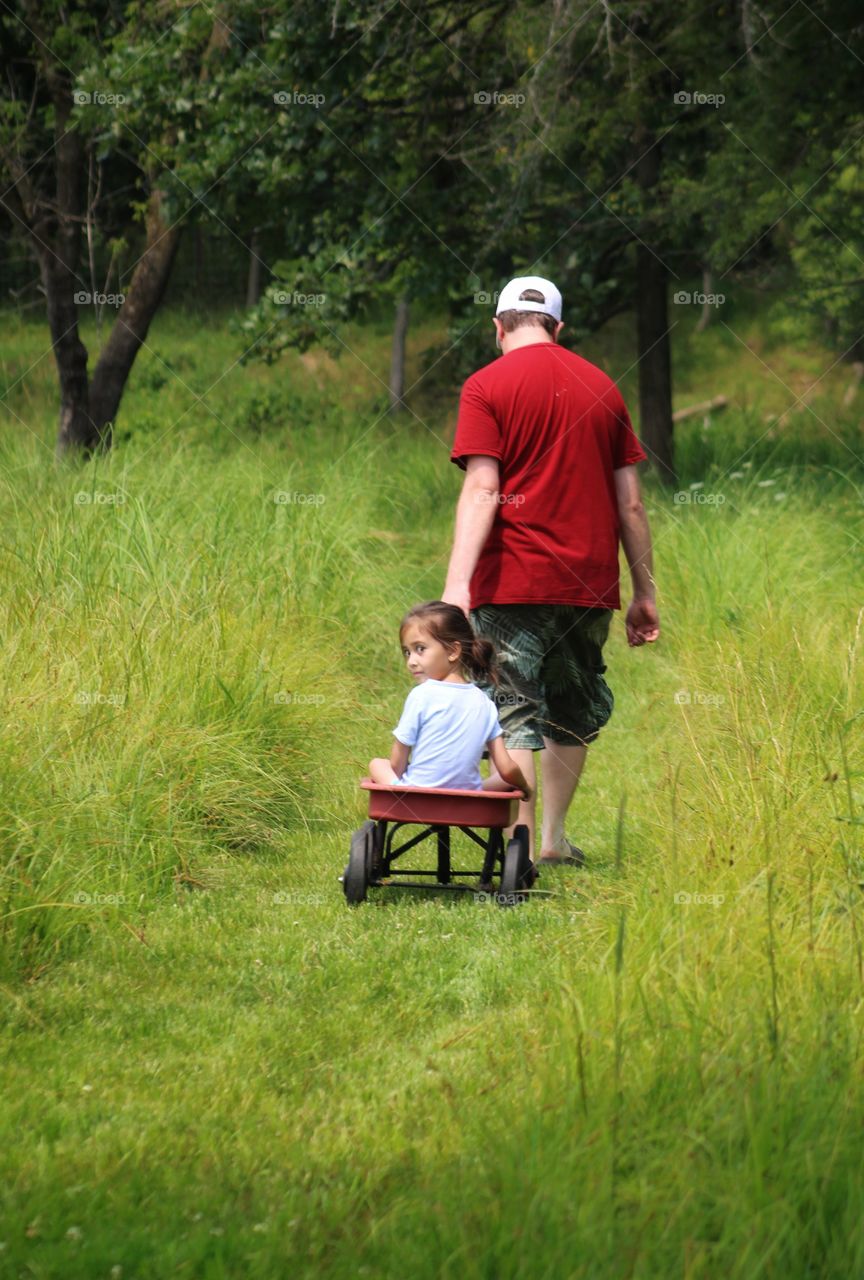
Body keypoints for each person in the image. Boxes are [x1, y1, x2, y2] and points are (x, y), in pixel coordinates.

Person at [442, 275, 659, 865]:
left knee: (512, 705)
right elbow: (631, 504)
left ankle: (519, 846)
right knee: (572, 702)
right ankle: (555, 841)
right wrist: (644, 592)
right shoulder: (603, 388)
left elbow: (484, 489)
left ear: (498, 326)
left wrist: (458, 588)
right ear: (558, 329)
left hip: (512, 581)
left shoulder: (486, 385)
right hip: (589, 584)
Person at [368, 601, 531, 797]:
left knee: (377, 764)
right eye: (407, 652)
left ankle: (397, 793)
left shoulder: (421, 695)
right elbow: (507, 768)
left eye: (420, 649)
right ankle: (467, 790)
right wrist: (526, 788)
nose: (411, 661)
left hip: (419, 796)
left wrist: (397, 778)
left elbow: (397, 762)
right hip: (465, 797)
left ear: (453, 651)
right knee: (500, 780)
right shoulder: (485, 703)